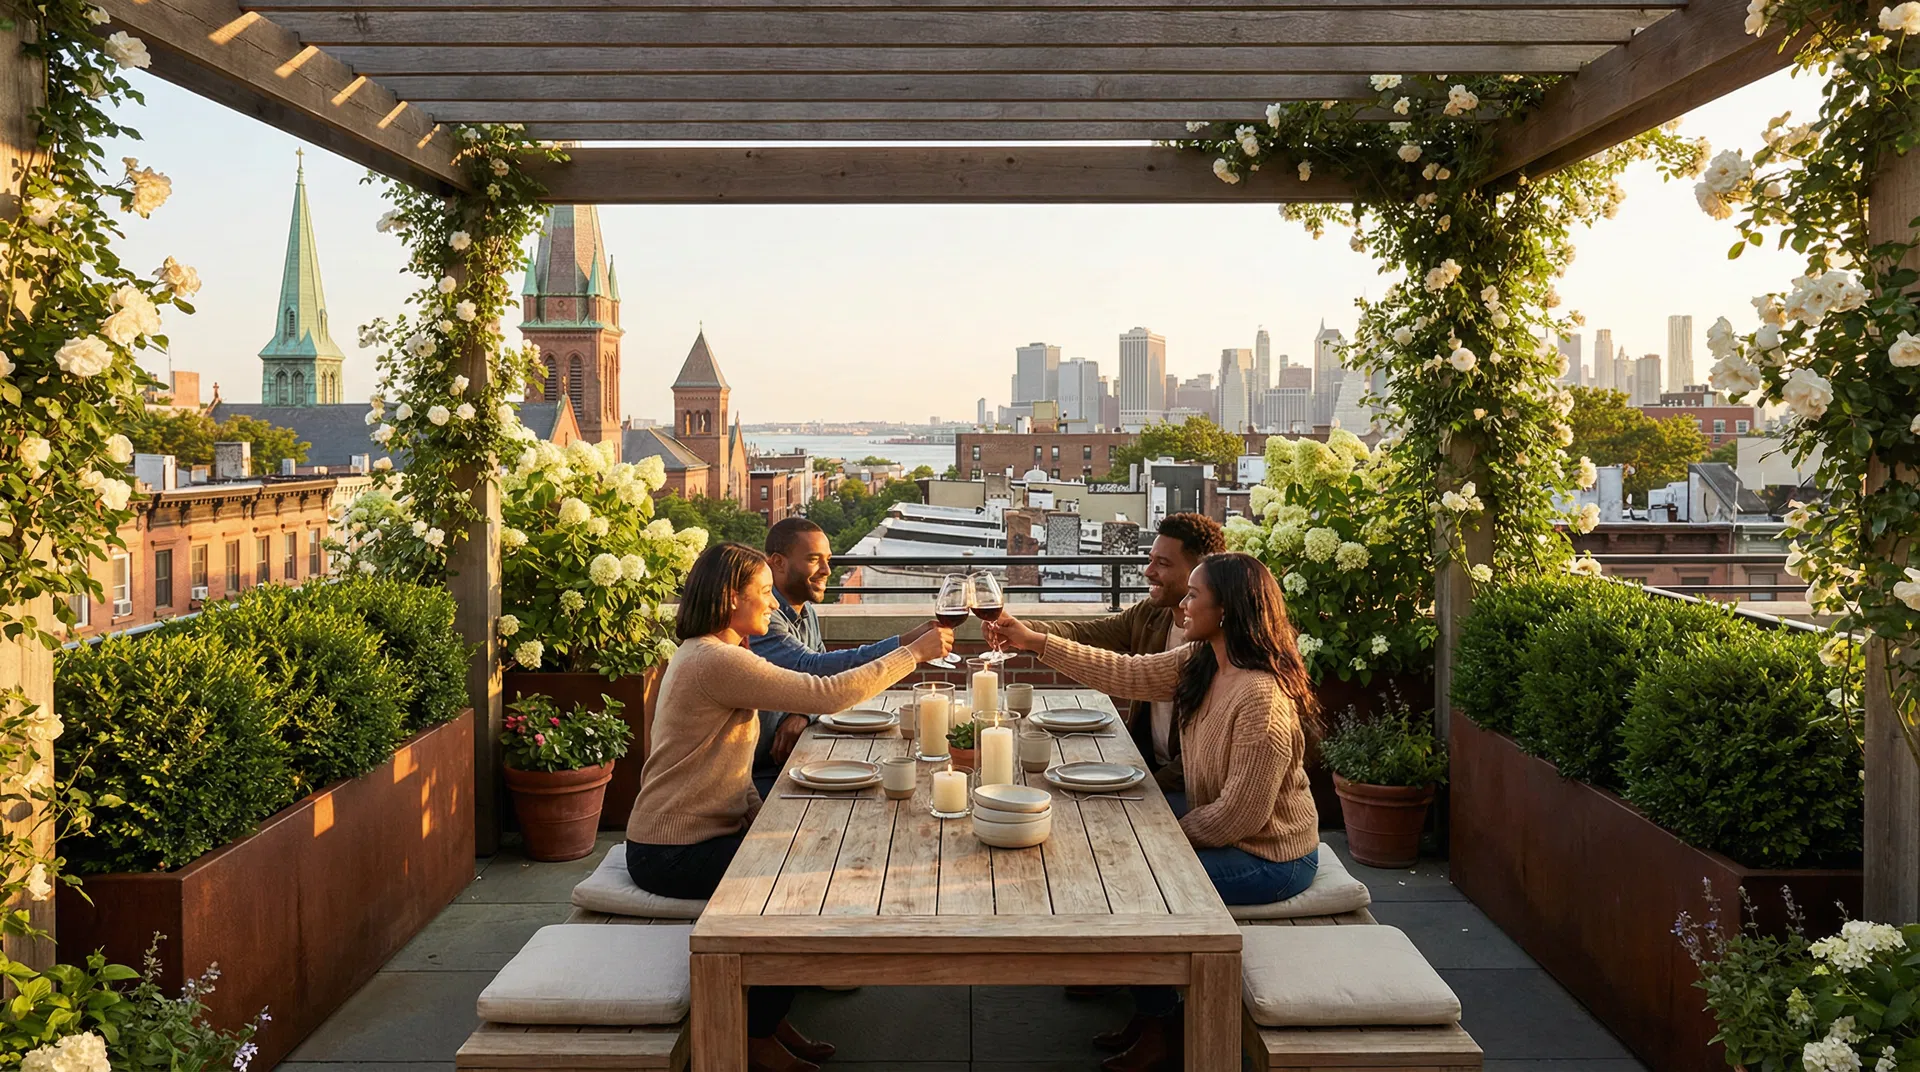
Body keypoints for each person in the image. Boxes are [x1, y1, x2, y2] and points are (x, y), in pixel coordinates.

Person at [626, 541, 954, 1072]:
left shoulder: (716, 653)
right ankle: (753, 1035)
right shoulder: (715, 659)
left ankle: (769, 1021)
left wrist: (759, 811)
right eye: (762, 592)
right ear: (731, 598)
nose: (772, 602)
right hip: (671, 851)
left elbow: (721, 765)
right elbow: (824, 693)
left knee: (811, 858)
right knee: (800, 894)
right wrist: (912, 654)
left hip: (697, 835)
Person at [988, 551, 1319, 1072]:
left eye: (1194, 596)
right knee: (1116, 856)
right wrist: (1035, 641)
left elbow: (1239, 817)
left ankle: (1164, 1027)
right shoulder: (1204, 660)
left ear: (1226, 611)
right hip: (1224, 826)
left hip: (1270, 855)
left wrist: (1157, 839)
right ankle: (1149, 1012)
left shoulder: (1260, 699)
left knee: (1137, 887)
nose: (1183, 605)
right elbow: (1126, 673)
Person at [1027, 512, 1225, 793]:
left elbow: (1200, 761)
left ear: (1200, 572)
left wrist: (1144, 787)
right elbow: (1087, 634)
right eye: (1150, 559)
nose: (1148, 571)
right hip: (1148, 768)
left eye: (1163, 563)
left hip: (1188, 790)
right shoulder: (1151, 614)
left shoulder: (1220, 648)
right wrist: (1024, 631)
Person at [747, 517, 938, 796]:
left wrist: (803, 713)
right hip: (758, 776)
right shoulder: (762, 621)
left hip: (791, 761)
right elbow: (815, 668)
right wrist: (906, 647)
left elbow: (825, 682)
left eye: (828, 560)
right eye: (814, 559)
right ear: (778, 562)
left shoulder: (806, 612)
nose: (826, 570)